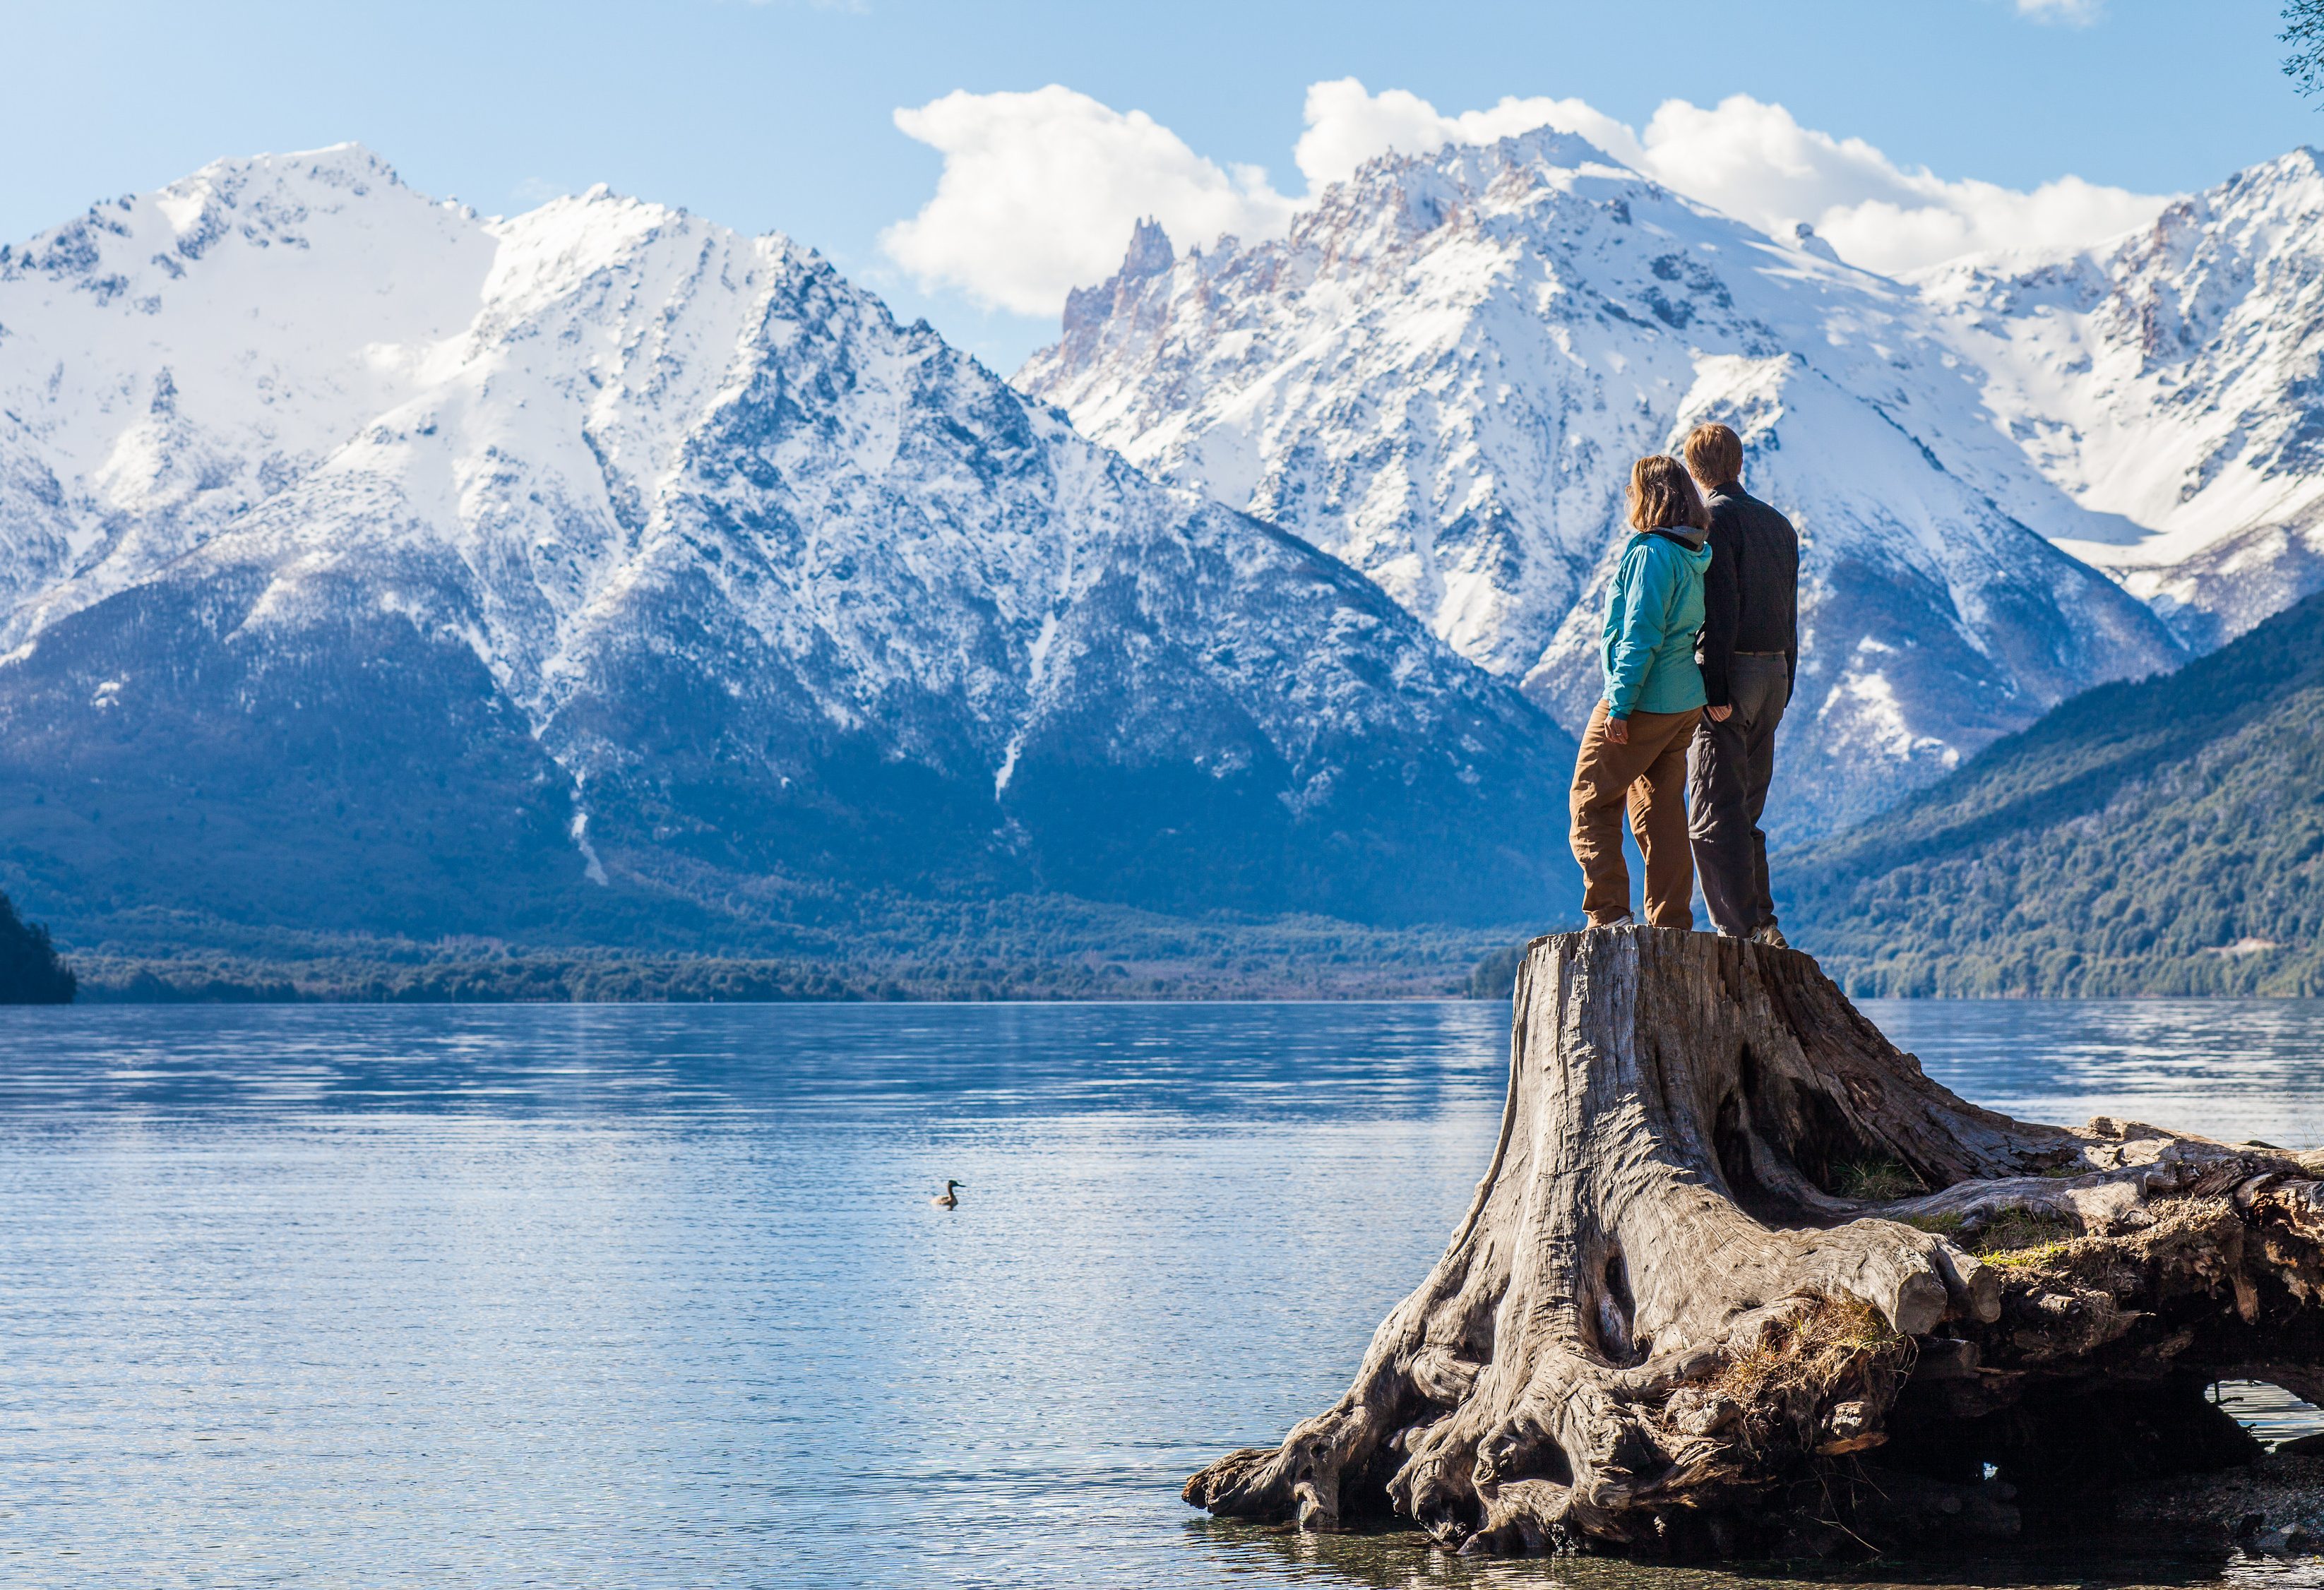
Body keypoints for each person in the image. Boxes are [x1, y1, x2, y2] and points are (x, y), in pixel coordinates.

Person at [1568, 455, 1714, 929]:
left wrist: (1620, 704)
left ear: (1648, 497)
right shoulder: (1693, 552)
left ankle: (1608, 914)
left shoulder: (1651, 554)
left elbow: (1640, 634)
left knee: (1590, 801)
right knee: (1660, 811)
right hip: (1683, 701)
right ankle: (1670, 922)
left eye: (1633, 491)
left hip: (1644, 700)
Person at [1683, 422, 1801, 948]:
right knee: (1746, 810)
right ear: (1739, 463)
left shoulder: (1713, 522)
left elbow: (1721, 607)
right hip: (1775, 673)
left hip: (1732, 673)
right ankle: (1762, 923)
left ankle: (1741, 932)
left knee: (1712, 812)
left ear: (1694, 471)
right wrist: (1785, 681)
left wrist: (1714, 688)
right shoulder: (1779, 525)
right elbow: (1790, 612)